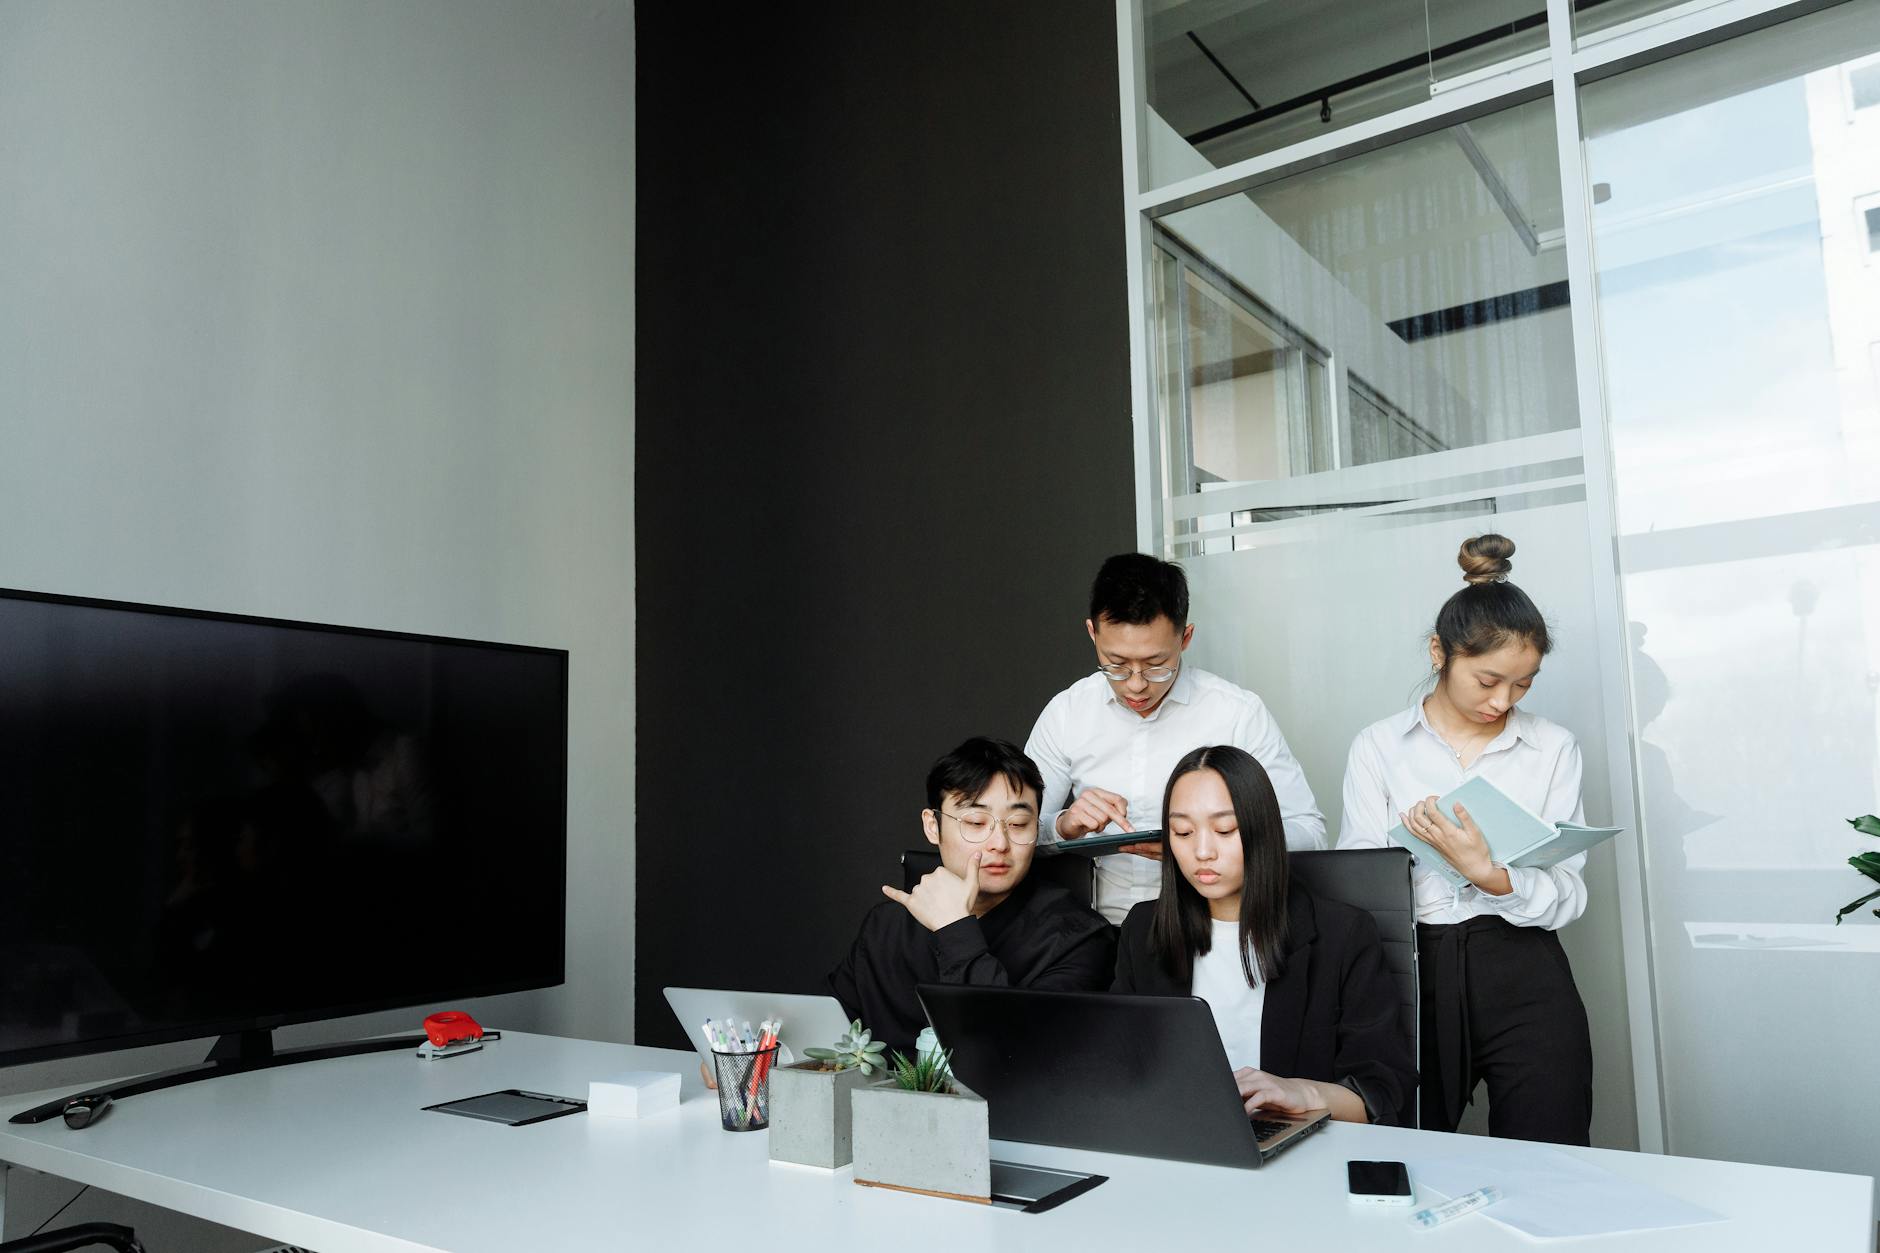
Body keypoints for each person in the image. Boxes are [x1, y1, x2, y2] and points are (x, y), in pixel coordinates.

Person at [1337, 534, 1594, 1145]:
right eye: (1488, 680)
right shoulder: (1378, 747)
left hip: (1524, 966)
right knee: (1407, 1145)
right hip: (1414, 967)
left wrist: (1488, 873)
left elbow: (1570, 895)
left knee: (1551, 1149)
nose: (1502, 701)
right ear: (1438, 653)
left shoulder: (1553, 748)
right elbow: (1358, 888)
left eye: (1523, 684)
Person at [1112, 745, 1413, 1125]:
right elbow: (1119, 1068)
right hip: (1176, 1138)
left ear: (1261, 829)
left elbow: (1384, 1091)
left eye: (1225, 830)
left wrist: (1302, 1093)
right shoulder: (1144, 928)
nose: (1202, 851)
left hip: (1303, 1152)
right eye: (1183, 831)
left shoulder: (1342, 934)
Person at [1025, 552, 1325, 925]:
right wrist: (1064, 825)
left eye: (1156, 666)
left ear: (1185, 638)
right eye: (1115, 664)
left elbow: (1308, 833)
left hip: (1213, 926)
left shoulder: (1237, 714)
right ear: (1092, 633)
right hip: (1095, 930)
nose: (1136, 684)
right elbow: (1013, 832)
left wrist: (1212, 837)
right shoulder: (1067, 713)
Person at [827, 736, 1115, 1059]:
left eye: (1019, 824)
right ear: (932, 826)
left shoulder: (1079, 939)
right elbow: (824, 1037)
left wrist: (956, 930)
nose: (999, 844)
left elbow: (1021, 1059)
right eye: (976, 823)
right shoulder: (884, 928)